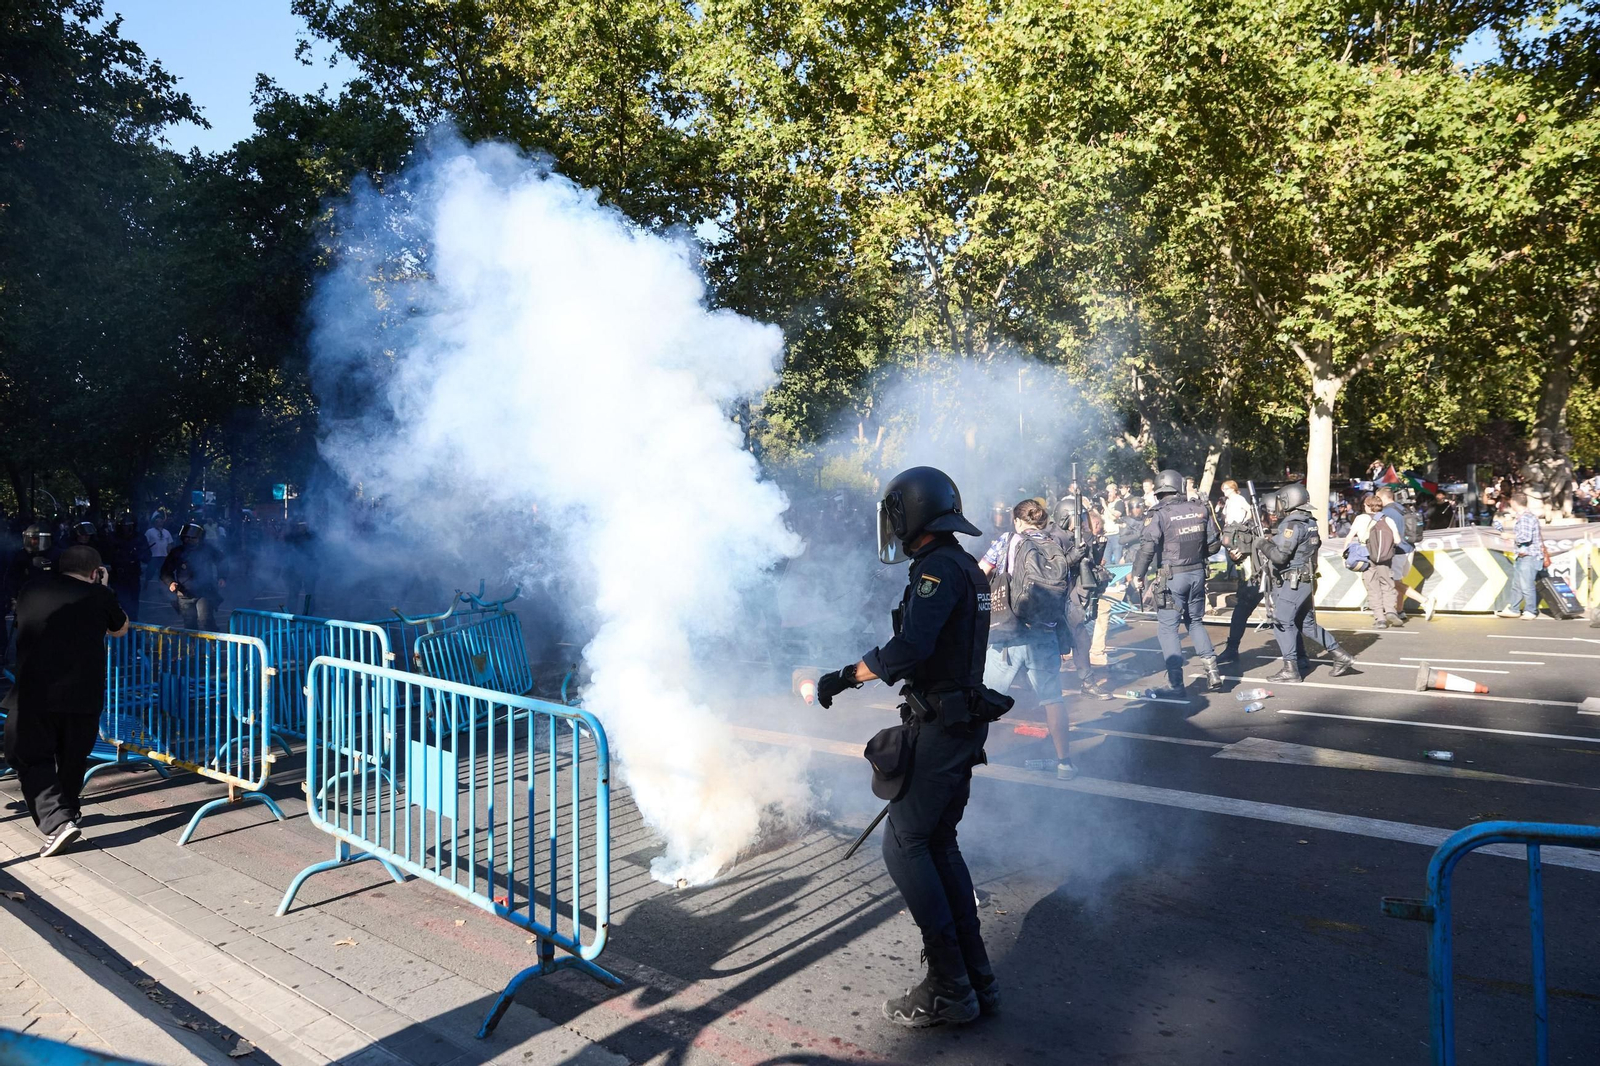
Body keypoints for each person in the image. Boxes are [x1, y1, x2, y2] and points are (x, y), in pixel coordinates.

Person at [813, 466, 997, 1028]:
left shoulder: (938, 571)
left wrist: (844, 677)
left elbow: (910, 648)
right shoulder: (963, 566)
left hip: (942, 729)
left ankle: (948, 987)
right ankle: (975, 978)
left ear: (912, 514)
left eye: (895, 514)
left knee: (906, 846)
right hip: (958, 722)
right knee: (937, 844)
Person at [3, 545, 130, 855]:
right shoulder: (100, 595)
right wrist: (103, 587)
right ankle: (68, 815)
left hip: (35, 692)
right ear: (95, 571)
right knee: (72, 759)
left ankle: (59, 823)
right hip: (84, 694)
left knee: (28, 756)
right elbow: (120, 629)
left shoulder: (32, 588)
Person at [981, 500, 1077, 780]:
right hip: (1044, 634)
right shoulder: (1057, 545)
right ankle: (1065, 765)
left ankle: (965, 756)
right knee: (1052, 700)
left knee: (982, 698)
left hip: (1009, 634)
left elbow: (980, 571)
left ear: (1017, 520)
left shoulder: (1007, 540)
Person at [1129, 469, 1223, 696]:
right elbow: (1214, 544)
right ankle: (1213, 673)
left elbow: (1148, 547)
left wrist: (1137, 574)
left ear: (1160, 491)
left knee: (1168, 629)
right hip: (1197, 574)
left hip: (1172, 577)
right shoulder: (1199, 508)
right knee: (1196, 622)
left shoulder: (1158, 513)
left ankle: (1175, 683)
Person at [1257, 484, 1358, 682]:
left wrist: (1262, 543)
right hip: (1306, 579)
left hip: (1294, 580)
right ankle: (1340, 655)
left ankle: (1290, 670)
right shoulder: (1310, 522)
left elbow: (1279, 556)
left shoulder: (1291, 525)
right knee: (1307, 624)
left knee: (1281, 621)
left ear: (1288, 501)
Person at [1376, 487, 1434, 622]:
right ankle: (1400, 610)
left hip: (1397, 551)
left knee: (1393, 582)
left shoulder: (1385, 512)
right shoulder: (1403, 508)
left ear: (1384, 497)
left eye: (1378, 498)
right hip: (1409, 548)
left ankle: (1425, 601)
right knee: (1399, 579)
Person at [160, 522, 227, 631]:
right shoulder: (177, 552)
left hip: (204, 591)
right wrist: (170, 582)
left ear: (199, 538)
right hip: (184, 593)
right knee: (189, 624)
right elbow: (165, 571)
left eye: (193, 538)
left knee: (205, 620)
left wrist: (222, 577)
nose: (189, 540)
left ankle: (214, 645)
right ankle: (192, 647)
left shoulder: (208, 550)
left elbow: (222, 562)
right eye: (187, 538)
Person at [1346, 495, 1400, 628]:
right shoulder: (1388, 519)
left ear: (1367, 505)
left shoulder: (1361, 518)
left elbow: (1349, 537)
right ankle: (1390, 611)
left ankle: (1380, 619)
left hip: (1366, 557)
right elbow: (1398, 540)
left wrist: (1345, 556)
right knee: (1387, 585)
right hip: (1385, 557)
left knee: (1372, 587)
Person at [1497, 491, 1543, 619]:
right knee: (1517, 584)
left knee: (1526, 584)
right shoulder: (1524, 517)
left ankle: (1531, 610)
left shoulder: (1526, 518)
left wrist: (1508, 536)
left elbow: (1525, 537)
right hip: (1523, 555)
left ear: (1514, 503)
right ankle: (1514, 609)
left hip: (1529, 555)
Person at [103, 511, 150, 622]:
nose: (126, 529)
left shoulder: (139, 537)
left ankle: (131, 630)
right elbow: (105, 556)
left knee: (133, 605)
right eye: (124, 526)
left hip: (133, 575)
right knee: (119, 604)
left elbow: (147, 557)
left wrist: (139, 553)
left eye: (129, 526)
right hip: (117, 576)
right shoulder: (112, 537)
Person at [144, 512, 173, 592]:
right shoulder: (149, 532)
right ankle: (146, 583)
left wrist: (169, 554)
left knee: (162, 573)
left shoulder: (166, 532)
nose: (159, 523)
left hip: (163, 555)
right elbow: (145, 543)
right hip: (153, 556)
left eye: (161, 521)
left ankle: (161, 588)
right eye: (158, 522)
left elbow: (169, 544)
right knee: (150, 571)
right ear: (154, 523)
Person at [1101, 482, 1125, 564]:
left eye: (1110, 492)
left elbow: (1115, 518)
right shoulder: (1107, 504)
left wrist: (1105, 506)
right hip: (1106, 535)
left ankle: (1120, 576)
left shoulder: (1119, 502)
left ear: (1115, 492)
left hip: (1116, 535)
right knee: (1106, 560)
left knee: (1118, 559)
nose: (1108, 494)